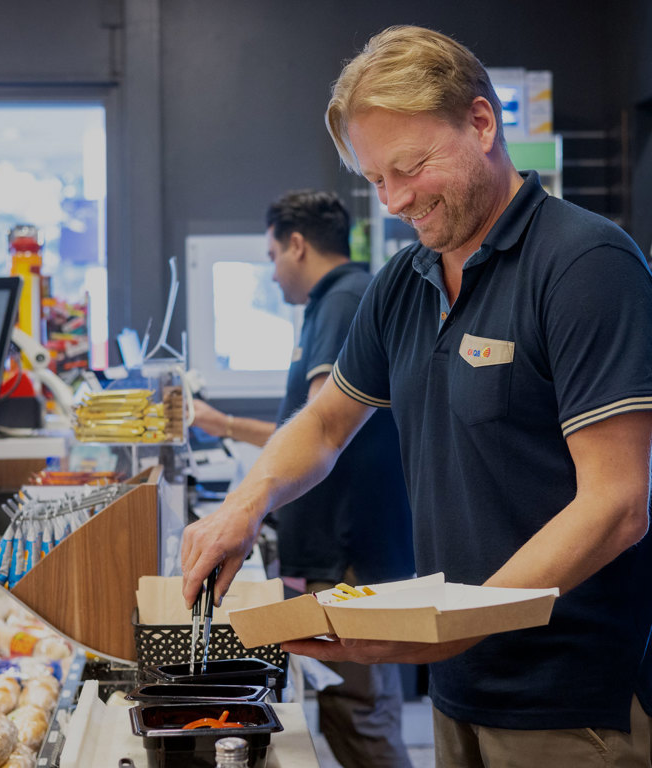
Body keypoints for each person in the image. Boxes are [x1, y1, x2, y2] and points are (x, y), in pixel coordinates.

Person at [182, 25, 652, 768]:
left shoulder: (585, 264)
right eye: (376, 179)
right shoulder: (404, 283)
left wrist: (448, 626)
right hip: (460, 684)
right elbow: (323, 423)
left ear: (481, 123)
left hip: (571, 704)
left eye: (411, 166)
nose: (397, 199)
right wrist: (242, 509)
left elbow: (616, 505)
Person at [192, 190, 415, 768]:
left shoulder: (342, 301)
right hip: (342, 546)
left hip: (348, 550)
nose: (271, 273)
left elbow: (320, 429)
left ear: (296, 244)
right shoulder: (336, 301)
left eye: (271, 256)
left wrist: (224, 431)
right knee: (351, 717)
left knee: (362, 719)